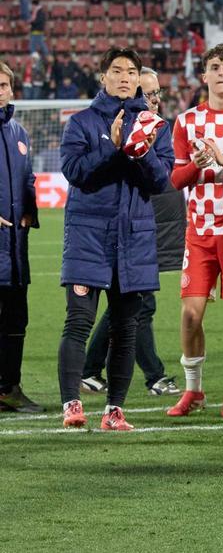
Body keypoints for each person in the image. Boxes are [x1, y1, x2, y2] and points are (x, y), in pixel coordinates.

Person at [57, 47, 174, 431]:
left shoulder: (156, 125)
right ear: (103, 76)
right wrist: (110, 145)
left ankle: (114, 411)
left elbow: (161, 182)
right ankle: (72, 404)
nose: (125, 77)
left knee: (126, 328)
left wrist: (140, 151)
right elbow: (75, 173)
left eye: (131, 71)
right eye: (117, 70)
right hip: (88, 236)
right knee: (79, 321)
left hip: (134, 237)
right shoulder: (81, 123)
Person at [165, 46, 223, 419]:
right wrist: (197, 165)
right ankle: (194, 391)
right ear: (204, 76)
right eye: (214, 67)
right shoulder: (186, 121)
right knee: (190, 315)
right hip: (200, 231)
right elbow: (176, 179)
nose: (221, 72)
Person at [80, 68, 181, 399]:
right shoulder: (120, 133)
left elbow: (164, 180)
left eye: (156, 94)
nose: (153, 101)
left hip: (147, 231)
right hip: (125, 233)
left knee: (126, 306)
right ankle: (154, 376)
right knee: (137, 305)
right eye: (147, 94)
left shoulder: (157, 130)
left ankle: (90, 370)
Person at [0, 61, 40, 413]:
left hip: (15, 249)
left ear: (11, 89)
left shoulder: (19, 133)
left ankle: (9, 387)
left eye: (2, 85)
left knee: (16, 322)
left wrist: (30, 210)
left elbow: (28, 179)